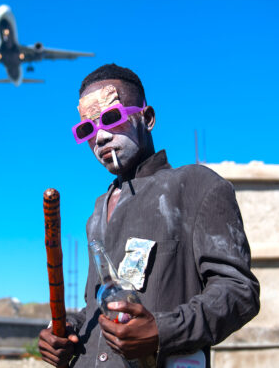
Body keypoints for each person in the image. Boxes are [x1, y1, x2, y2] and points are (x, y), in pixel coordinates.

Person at [38, 64, 260, 368]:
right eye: (87, 129)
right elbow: (97, 307)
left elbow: (238, 291)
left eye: (112, 118)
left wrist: (161, 331)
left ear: (147, 118)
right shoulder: (97, 212)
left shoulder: (196, 185)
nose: (100, 137)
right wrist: (66, 332)